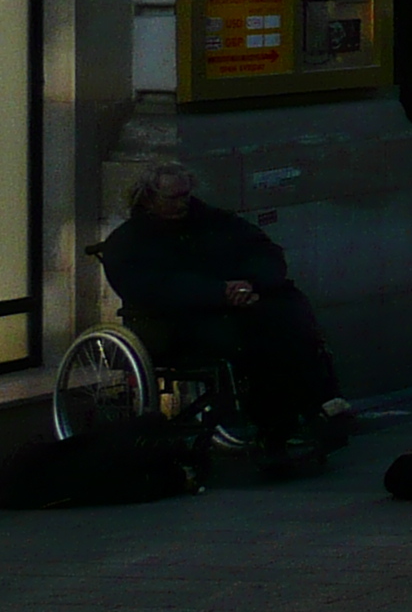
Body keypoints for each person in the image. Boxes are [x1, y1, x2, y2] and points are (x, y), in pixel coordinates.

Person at [96, 167, 348, 457]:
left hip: (231, 308)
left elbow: (263, 250)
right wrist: (219, 292)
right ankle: (280, 425)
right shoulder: (129, 242)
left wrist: (249, 285)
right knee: (256, 339)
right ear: (150, 199)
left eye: (185, 196)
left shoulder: (214, 221)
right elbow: (156, 288)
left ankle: (323, 404)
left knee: (289, 312)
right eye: (172, 197)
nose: (181, 203)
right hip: (172, 322)